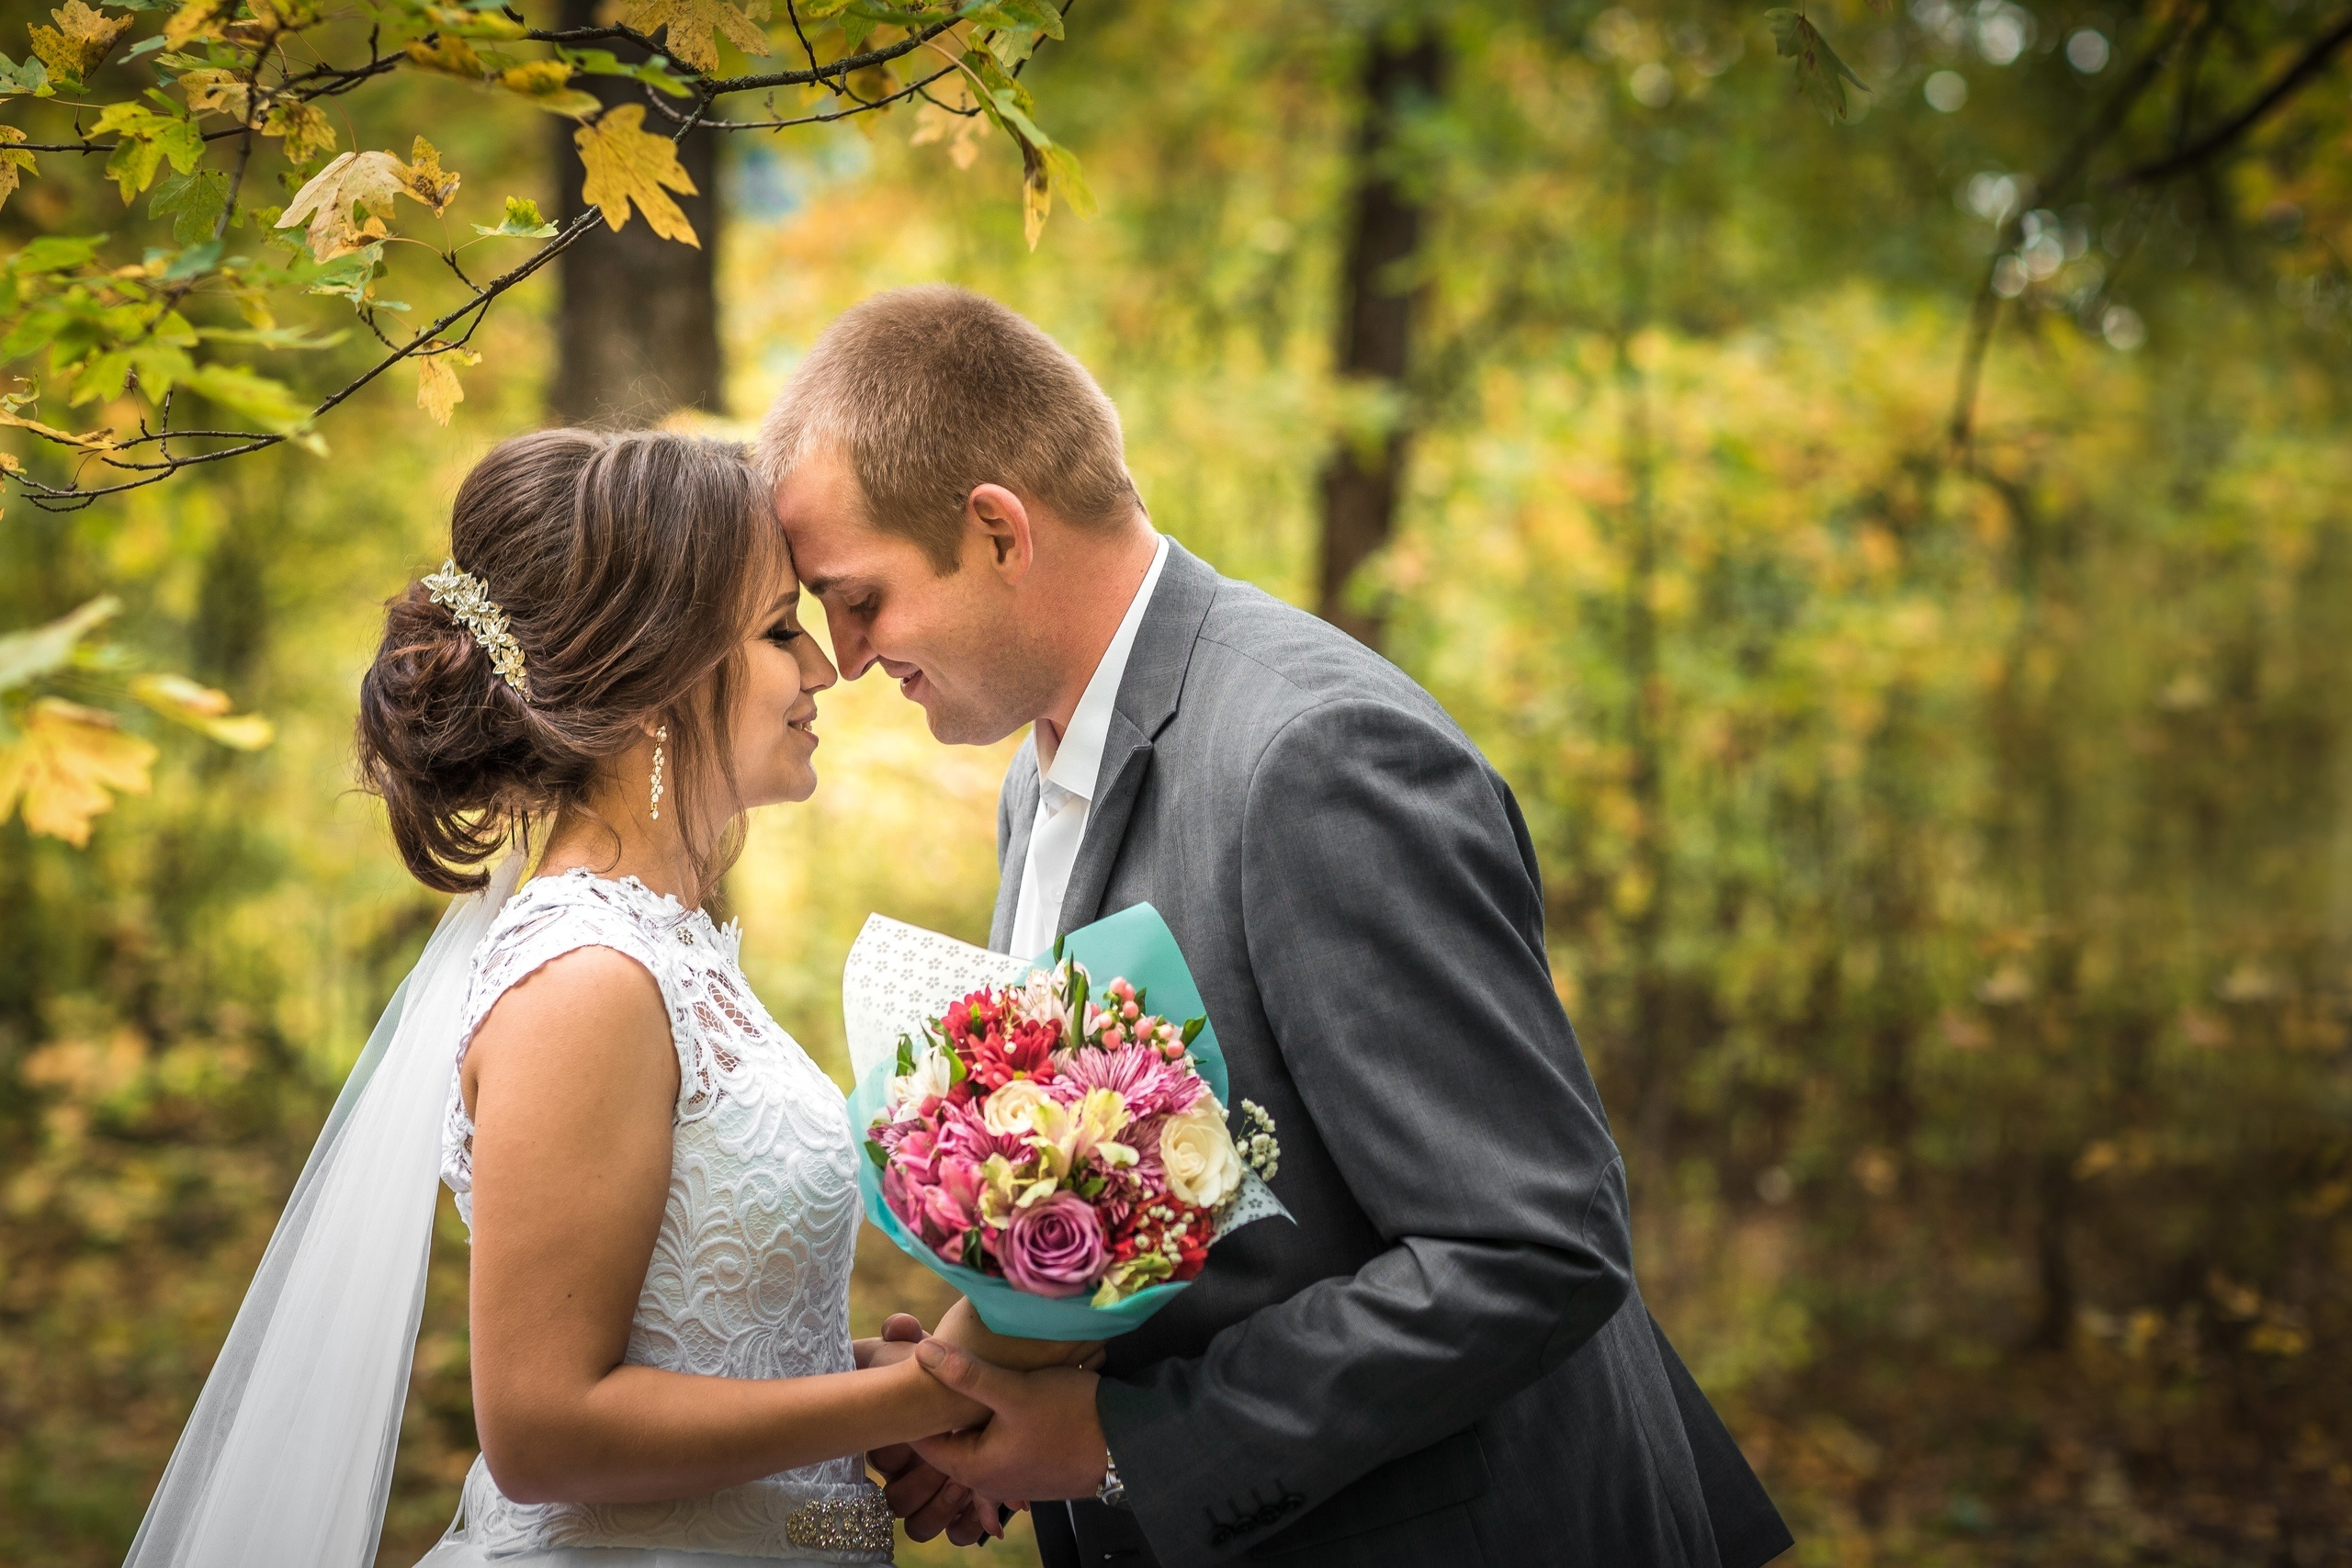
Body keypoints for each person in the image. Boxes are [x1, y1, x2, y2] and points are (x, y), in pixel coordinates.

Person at [762, 286, 1796, 1568]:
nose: (846, 658)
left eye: (859, 600)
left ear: (997, 532)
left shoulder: (1313, 755)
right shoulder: (1039, 773)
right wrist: (993, 1381)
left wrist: (1118, 1437)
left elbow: (1531, 1246)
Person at [122, 429, 1012, 1568]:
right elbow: (547, 1433)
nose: (825, 667)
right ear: (655, 683)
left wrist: (872, 1384)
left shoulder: (671, 949)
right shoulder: (584, 981)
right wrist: (911, 1405)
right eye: (779, 629)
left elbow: (693, 1353)